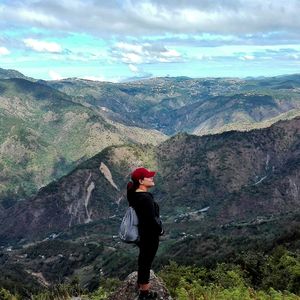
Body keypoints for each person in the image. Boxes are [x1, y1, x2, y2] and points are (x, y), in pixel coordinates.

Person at [127, 167, 164, 300]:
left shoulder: (133, 195)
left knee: (143, 260)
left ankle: (142, 287)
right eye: (148, 177)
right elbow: (151, 220)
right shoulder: (146, 198)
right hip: (149, 235)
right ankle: (144, 294)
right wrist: (160, 230)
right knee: (146, 262)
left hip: (140, 235)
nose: (152, 178)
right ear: (141, 181)